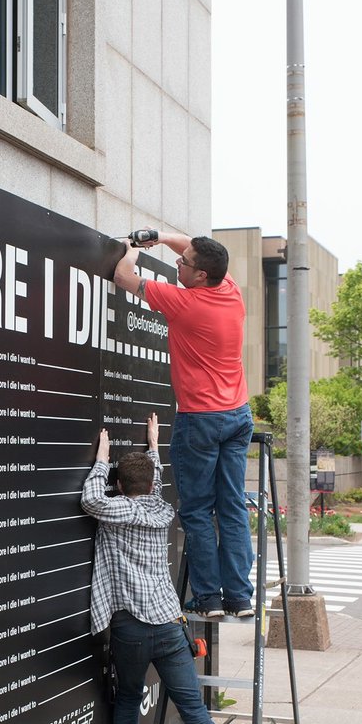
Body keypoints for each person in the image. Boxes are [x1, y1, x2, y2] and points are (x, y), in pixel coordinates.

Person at [80, 414, 243, 724]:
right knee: (194, 710)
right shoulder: (162, 511)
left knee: (128, 697)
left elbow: (91, 498)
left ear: (118, 486)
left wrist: (102, 458)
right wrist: (154, 445)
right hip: (169, 626)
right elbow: (157, 484)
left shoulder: (114, 511)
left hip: (128, 628)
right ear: (152, 484)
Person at [113, 233, 254, 619]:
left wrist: (131, 252)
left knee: (196, 510)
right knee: (231, 507)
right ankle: (240, 598)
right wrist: (159, 238)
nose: (179, 263)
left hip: (201, 419)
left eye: (185, 263)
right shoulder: (229, 291)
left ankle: (208, 599)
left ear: (201, 275)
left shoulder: (184, 303)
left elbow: (124, 279)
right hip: (238, 415)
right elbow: (192, 247)